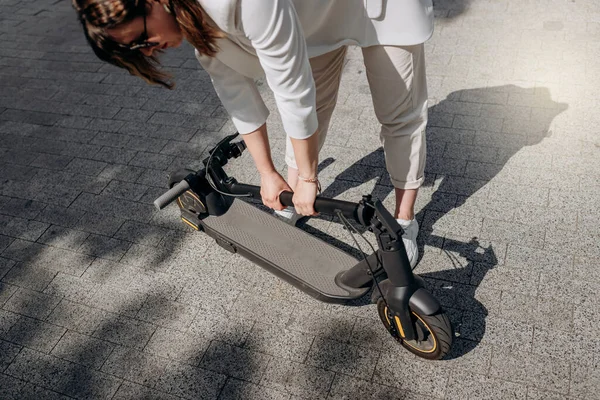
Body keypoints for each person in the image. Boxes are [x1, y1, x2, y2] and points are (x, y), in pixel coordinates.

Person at [72, 0, 433, 267]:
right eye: (134, 51)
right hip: (312, 15)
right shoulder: (189, 15)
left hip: (383, 7)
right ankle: (292, 192)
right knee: (316, 111)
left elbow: (290, 87)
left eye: (140, 40)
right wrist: (267, 174)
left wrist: (309, 176)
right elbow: (235, 90)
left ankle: (404, 221)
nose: (149, 51)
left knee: (399, 113)